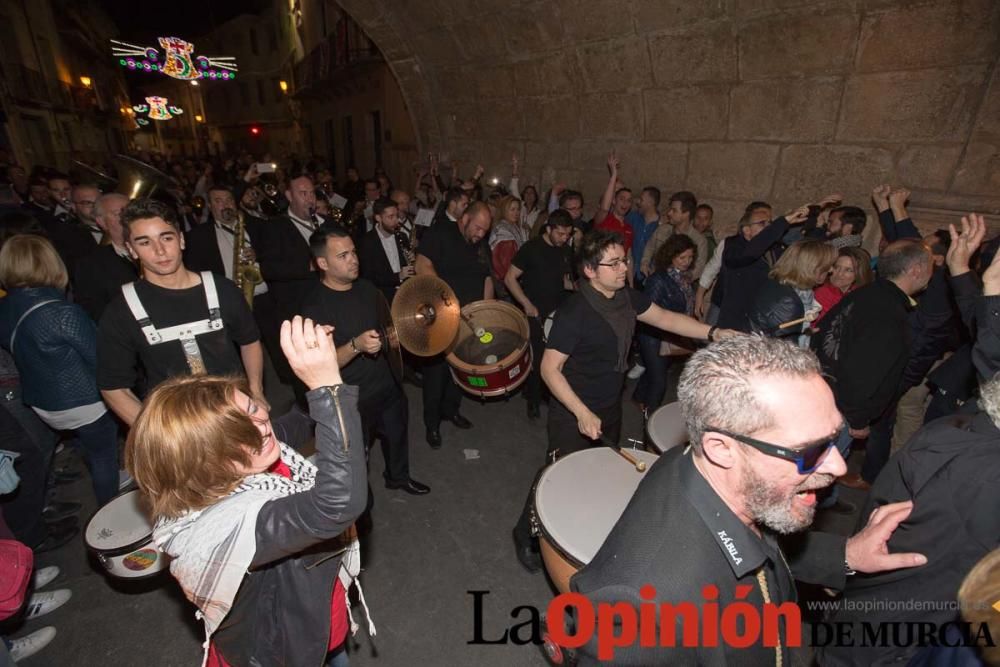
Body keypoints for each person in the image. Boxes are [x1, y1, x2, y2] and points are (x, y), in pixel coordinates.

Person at [569, 335, 928, 665]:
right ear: (721, 449)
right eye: (810, 450)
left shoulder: (713, 476)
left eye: (834, 438)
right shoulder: (651, 606)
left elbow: (761, 552)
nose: (837, 466)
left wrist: (845, 555)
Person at [127, 316, 368, 667]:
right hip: (286, 649)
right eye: (237, 436)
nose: (260, 430)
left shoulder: (255, 453)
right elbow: (337, 504)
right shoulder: (226, 525)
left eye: (253, 409)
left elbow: (302, 418)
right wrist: (327, 387)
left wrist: (325, 364)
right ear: (200, 466)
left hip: (318, 615)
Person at [512, 230, 736, 572]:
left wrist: (712, 332)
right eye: (613, 263)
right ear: (589, 270)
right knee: (554, 474)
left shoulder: (627, 297)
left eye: (624, 260)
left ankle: (577, 522)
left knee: (594, 471)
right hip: (574, 410)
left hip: (607, 404)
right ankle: (526, 534)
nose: (622, 268)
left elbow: (665, 318)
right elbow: (549, 369)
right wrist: (581, 412)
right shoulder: (575, 312)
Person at [97, 199, 264, 427]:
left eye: (167, 237)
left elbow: (250, 340)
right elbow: (113, 386)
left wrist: (256, 390)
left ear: (181, 240)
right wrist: (155, 435)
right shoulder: (122, 310)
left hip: (236, 412)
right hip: (178, 425)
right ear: (131, 250)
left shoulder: (221, 288)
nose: (160, 250)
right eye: (144, 242)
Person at [302, 224, 429, 495]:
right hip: (352, 399)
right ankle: (361, 505)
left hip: (388, 385)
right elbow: (321, 364)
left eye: (354, 252)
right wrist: (355, 345)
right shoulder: (314, 307)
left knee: (397, 437)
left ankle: (398, 476)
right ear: (322, 263)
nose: (354, 259)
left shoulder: (367, 288)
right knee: (357, 458)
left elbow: (385, 327)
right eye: (343, 255)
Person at [0, 235, 119, 506]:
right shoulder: (62, 312)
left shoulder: (4, 307)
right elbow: (101, 360)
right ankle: (110, 512)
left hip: (43, 405)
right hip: (84, 403)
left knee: (85, 444)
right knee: (104, 458)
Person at [814, 238, 934, 488]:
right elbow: (864, 372)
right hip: (840, 411)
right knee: (816, 475)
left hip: (827, 397)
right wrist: (857, 419)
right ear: (916, 270)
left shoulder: (866, 294)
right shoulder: (888, 313)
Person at [415, 201, 493, 449]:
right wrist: (447, 299)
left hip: (470, 318)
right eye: (478, 228)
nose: (481, 234)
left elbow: (487, 277)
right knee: (436, 373)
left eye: (485, 231)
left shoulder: (480, 243)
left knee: (461, 368)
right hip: (440, 316)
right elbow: (422, 266)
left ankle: (451, 410)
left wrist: (487, 310)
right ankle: (432, 424)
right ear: (465, 218)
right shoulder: (440, 233)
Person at [504, 209, 575, 420]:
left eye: (568, 234)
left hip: (557, 311)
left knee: (554, 357)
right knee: (538, 358)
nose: (564, 238)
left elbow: (561, 280)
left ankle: (546, 394)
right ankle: (532, 400)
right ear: (549, 228)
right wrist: (526, 303)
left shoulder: (565, 249)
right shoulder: (531, 248)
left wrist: (580, 288)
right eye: (560, 234)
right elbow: (509, 278)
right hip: (534, 310)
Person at [717, 201, 810, 331]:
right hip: (736, 324)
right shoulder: (735, 249)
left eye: (769, 224)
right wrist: (783, 222)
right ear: (747, 230)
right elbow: (751, 253)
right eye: (762, 223)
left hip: (761, 322)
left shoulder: (774, 250)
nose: (768, 227)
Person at [632, 234, 697, 412]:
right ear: (671, 255)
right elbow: (647, 310)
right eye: (682, 257)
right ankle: (651, 420)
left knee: (654, 372)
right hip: (653, 336)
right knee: (659, 380)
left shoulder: (683, 277)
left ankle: (638, 397)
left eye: (690, 257)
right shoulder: (659, 279)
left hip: (671, 334)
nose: (687, 261)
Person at [747, 240, 837, 344]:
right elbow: (785, 350)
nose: (831, 270)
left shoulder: (784, 285)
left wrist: (805, 333)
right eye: (826, 266)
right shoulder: (787, 301)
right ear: (811, 268)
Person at [72, 193, 139, 323]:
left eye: (131, 211)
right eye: (118, 213)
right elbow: (95, 313)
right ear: (101, 222)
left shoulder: (157, 249)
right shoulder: (90, 265)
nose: (128, 218)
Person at [358, 197, 415, 306]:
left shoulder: (402, 236)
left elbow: (409, 270)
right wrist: (398, 276)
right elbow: (368, 277)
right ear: (378, 218)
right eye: (390, 217)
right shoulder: (366, 242)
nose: (396, 221)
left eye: (397, 216)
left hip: (405, 296)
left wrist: (412, 261)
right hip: (381, 299)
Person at [813, 246, 873, 324]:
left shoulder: (864, 296)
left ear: (859, 274)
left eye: (848, 270)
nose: (840, 274)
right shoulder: (820, 292)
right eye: (836, 267)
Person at [489, 194, 529, 295]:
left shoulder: (513, 226)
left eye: (518, 209)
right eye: (512, 209)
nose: (516, 213)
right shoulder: (503, 230)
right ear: (504, 210)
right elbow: (504, 263)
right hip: (506, 284)